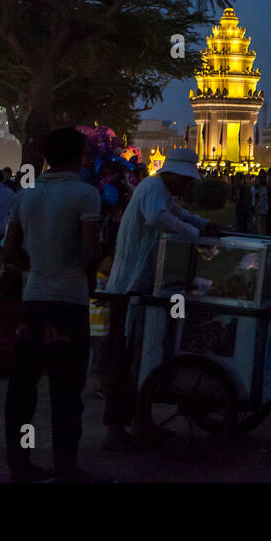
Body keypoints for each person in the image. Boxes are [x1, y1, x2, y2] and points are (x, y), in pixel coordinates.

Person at [0, 128, 102, 482]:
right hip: (68, 304)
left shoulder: (26, 195)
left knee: (22, 390)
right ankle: (66, 467)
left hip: (34, 301)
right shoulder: (86, 195)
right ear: (80, 157)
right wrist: (73, 268)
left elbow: (9, 252)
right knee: (66, 392)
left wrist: (40, 267)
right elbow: (90, 254)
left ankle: (20, 464)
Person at [102, 147, 220, 451]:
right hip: (127, 290)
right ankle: (116, 430)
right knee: (125, 362)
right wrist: (195, 235)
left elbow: (178, 214)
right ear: (175, 175)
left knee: (144, 361)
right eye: (187, 182)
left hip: (142, 290)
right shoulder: (152, 189)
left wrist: (201, 224)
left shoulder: (162, 192)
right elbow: (158, 217)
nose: (188, 188)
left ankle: (141, 424)